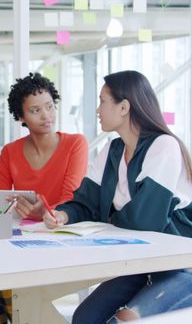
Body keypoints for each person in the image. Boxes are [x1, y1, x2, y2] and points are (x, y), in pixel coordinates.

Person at [43, 70, 192, 323]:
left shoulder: (164, 146)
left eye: (103, 101)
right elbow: (85, 203)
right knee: (85, 317)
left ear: (124, 107)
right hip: (141, 265)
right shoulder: (112, 151)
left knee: (125, 319)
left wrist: (108, 218)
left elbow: (146, 221)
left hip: (180, 267)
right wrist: (64, 214)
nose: (98, 109)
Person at [0, 73, 88, 324]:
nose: (46, 115)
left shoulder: (75, 144)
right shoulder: (10, 151)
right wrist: (7, 212)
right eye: (35, 110)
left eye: (49, 106)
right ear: (21, 117)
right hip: (23, 243)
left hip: (60, 240)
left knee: (9, 289)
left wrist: (42, 212)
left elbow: (70, 199)